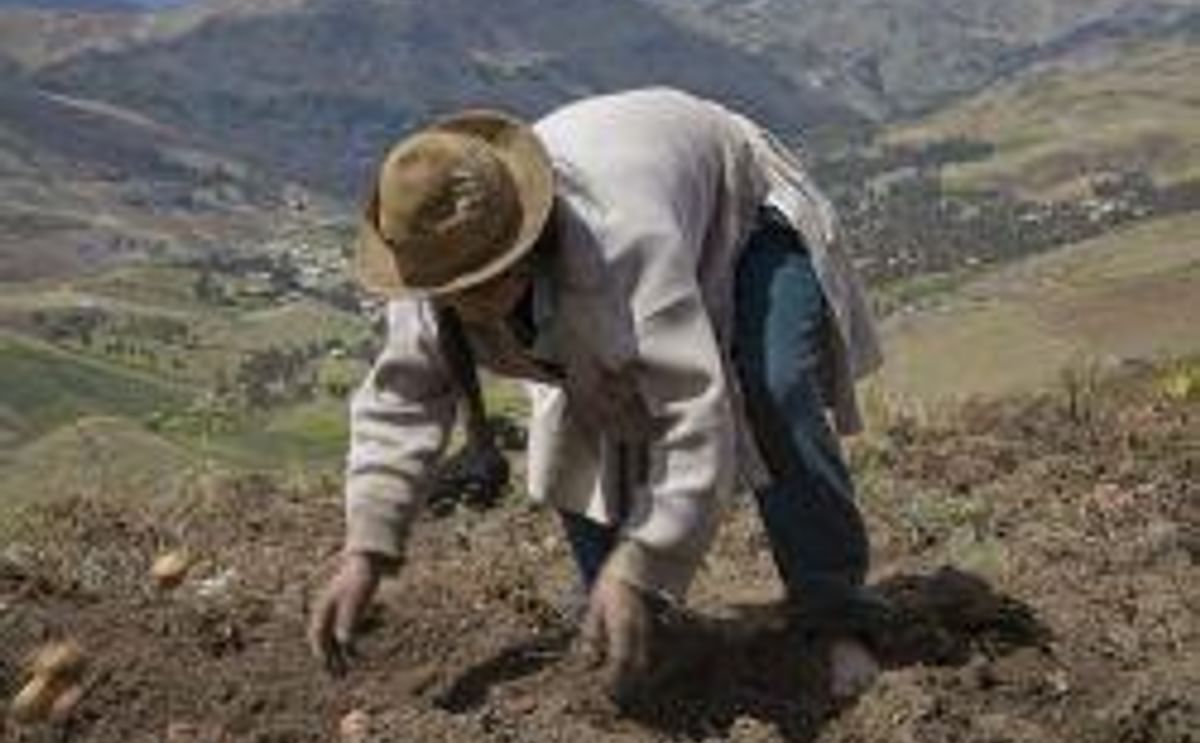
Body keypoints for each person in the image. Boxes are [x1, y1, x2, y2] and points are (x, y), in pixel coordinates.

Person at [308, 88, 887, 703]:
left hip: (741, 216)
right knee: (572, 434)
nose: (468, 304)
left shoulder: (620, 243)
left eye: (483, 282)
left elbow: (693, 417)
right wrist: (366, 549)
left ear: (521, 247)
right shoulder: (435, 268)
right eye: (455, 292)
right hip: (625, 239)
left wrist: (645, 558)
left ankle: (836, 616)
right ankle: (630, 624)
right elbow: (402, 400)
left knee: (776, 390)